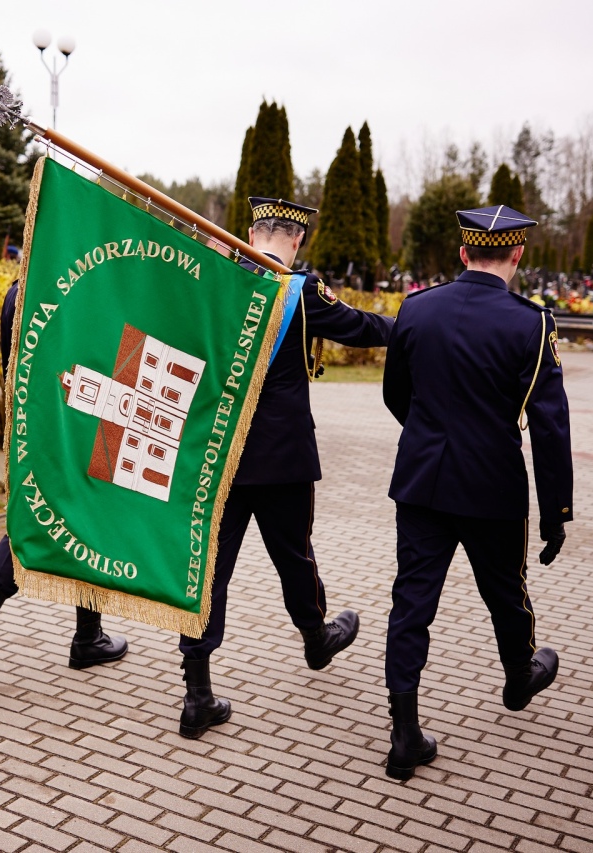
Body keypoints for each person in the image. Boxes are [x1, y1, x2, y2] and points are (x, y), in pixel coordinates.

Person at [177, 197, 394, 739]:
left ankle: (196, 694)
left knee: (207, 570)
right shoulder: (299, 288)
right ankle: (316, 638)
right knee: (295, 556)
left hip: (219, 453)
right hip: (282, 458)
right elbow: (362, 328)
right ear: (297, 240)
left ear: (252, 231)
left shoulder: (217, 281)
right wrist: (416, 321)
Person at [380, 205, 573, 781]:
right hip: (492, 485)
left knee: (411, 604)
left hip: (421, 482)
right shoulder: (532, 324)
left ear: (463, 253)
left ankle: (404, 732)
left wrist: (427, 437)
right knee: (505, 594)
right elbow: (550, 426)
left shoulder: (416, 308)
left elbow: (397, 395)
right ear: (517, 255)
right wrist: (556, 512)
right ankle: (519, 675)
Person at [0, 281, 129, 685]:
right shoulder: (85, 285)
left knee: (36, 519)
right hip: (77, 428)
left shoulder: (19, 289)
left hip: (32, 426)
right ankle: (85, 637)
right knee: (82, 518)